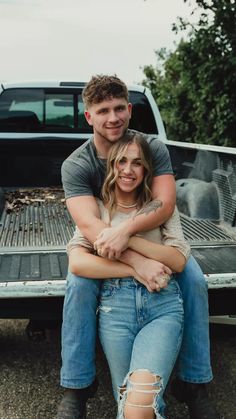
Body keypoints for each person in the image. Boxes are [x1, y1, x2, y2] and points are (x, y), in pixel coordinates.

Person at [57, 75, 218, 419]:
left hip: (145, 232)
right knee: (78, 284)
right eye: (102, 111)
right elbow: (90, 225)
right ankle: (77, 387)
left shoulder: (150, 147)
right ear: (89, 117)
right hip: (102, 237)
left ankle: (193, 383)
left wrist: (127, 231)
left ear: (129, 110)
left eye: (118, 108)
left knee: (194, 281)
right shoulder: (77, 164)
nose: (112, 117)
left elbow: (164, 203)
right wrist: (137, 264)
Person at [65, 133, 190, 418]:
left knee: (140, 404)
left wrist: (126, 237)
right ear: (111, 166)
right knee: (129, 407)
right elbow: (78, 263)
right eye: (121, 161)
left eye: (137, 163)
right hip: (114, 310)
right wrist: (136, 268)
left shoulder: (159, 208)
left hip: (163, 308)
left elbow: (178, 260)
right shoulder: (98, 210)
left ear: (146, 168)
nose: (127, 169)